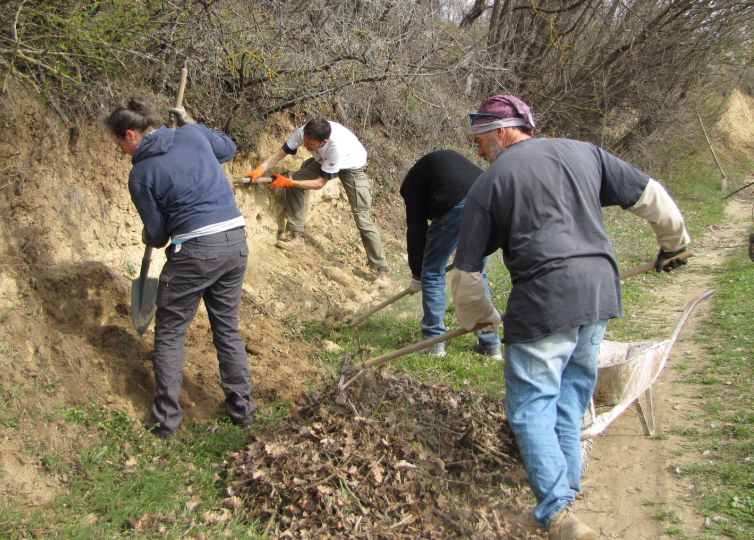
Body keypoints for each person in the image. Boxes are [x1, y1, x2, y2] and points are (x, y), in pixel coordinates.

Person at [450, 95, 690, 540]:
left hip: (544, 299)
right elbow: (648, 193)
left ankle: (558, 513)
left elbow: (466, 271)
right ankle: (568, 501)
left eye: (481, 141)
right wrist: (673, 242)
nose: (478, 152)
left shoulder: (490, 183)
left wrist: (479, 318)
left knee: (531, 407)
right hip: (598, 291)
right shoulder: (584, 152)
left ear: (503, 132)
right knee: (571, 398)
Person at [104, 97, 256, 438]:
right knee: (227, 328)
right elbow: (228, 148)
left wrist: (150, 227)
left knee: (171, 334)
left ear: (130, 134)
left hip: (195, 252)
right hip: (235, 241)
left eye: (119, 145)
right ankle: (242, 410)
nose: (122, 153)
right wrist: (191, 124)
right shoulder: (191, 135)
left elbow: (157, 237)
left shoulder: (141, 174)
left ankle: (166, 420)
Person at [245, 117, 391, 288]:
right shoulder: (305, 132)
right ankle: (297, 238)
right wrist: (259, 169)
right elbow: (280, 153)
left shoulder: (336, 148)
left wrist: (288, 182)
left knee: (361, 217)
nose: (305, 147)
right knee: (295, 179)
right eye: (305, 142)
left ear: (324, 142)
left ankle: (383, 271)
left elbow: (320, 183)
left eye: (310, 145)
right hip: (324, 160)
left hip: (352, 167)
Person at [399, 150, 502, 358]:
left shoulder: (413, 181)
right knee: (475, 272)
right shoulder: (440, 165)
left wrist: (418, 274)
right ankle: (491, 346)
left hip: (457, 205)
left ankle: (434, 342)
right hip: (489, 204)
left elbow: (416, 228)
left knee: (433, 272)